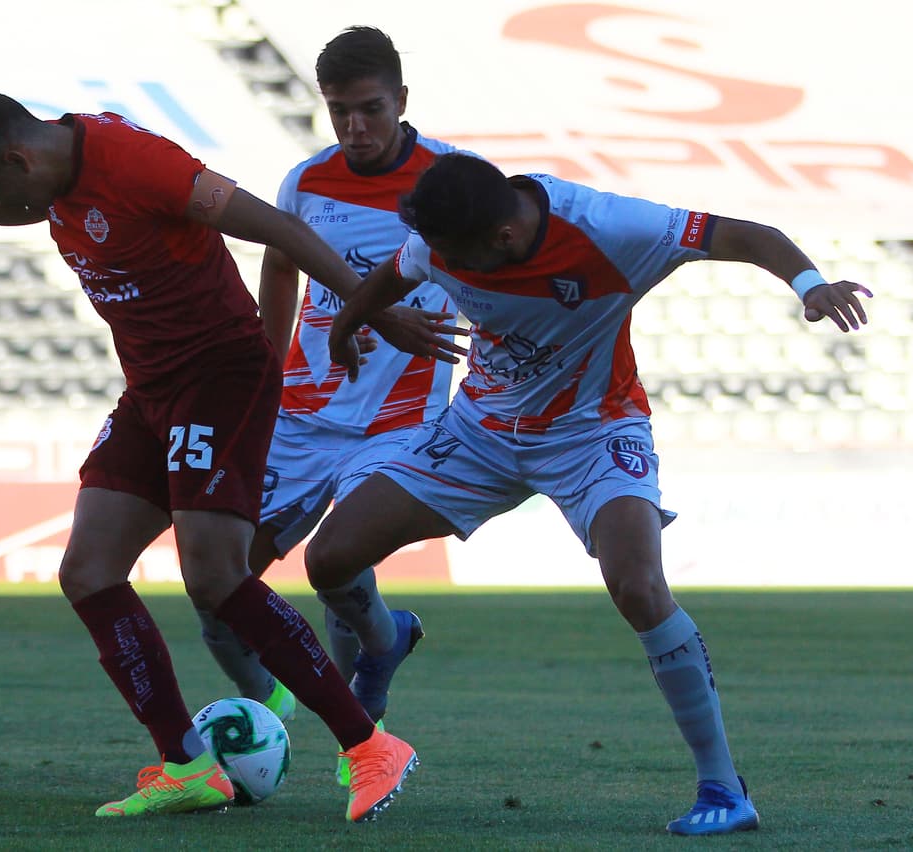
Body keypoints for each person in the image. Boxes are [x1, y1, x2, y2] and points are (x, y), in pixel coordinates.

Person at [0, 92, 460, 822]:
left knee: (215, 574)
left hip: (221, 375)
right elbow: (27, 208)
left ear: (19, 158)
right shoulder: (47, 178)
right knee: (88, 571)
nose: (3, 203)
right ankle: (186, 765)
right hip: (151, 389)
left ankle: (368, 746)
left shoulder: (137, 160)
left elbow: (275, 226)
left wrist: (369, 307)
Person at [310, 152, 873, 835]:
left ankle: (724, 788)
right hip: (480, 429)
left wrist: (809, 284)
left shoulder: (611, 230)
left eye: (453, 253)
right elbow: (391, 276)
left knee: (638, 587)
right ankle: (384, 640)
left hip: (593, 432)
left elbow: (742, 233)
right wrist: (345, 328)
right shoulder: (446, 233)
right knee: (330, 557)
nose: (440, 262)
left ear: (504, 239)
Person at [191, 26, 464, 783]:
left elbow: (501, 274)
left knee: (335, 562)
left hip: (399, 420)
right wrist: (267, 371)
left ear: (401, 100)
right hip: (303, 416)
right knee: (215, 589)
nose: (355, 127)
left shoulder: (451, 181)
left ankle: (368, 690)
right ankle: (269, 714)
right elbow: (279, 267)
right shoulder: (306, 182)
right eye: (339, 111)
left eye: (370, 109)